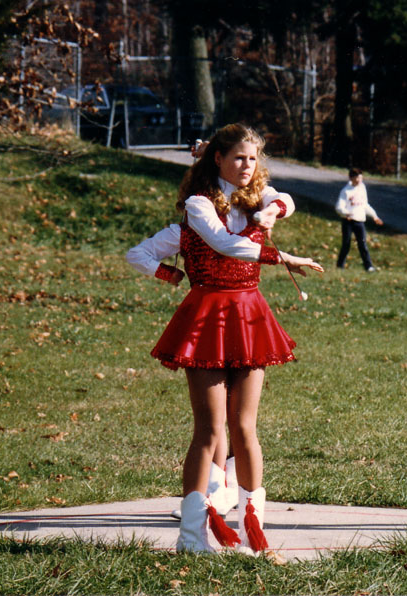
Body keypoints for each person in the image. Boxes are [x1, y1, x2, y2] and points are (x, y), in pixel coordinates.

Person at [126, 124, 322, 554]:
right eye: (238, 158)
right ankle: (192, 537)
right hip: (207, 318)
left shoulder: (257, 196)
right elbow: (225, 244)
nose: (247, 166)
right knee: (209, 431)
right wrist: (281, 255)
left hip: (250, 318)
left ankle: (254, 533)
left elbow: (283, 198)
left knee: (246, 428)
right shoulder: (198, 205)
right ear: (217, 159)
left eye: (253, 159)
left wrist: (274, 211)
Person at [335, 168, 383, 272]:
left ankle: (368, 266)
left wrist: (374, 216)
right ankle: (340, 265)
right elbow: (339, 207)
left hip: (359, 221)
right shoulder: (345, 191)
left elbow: (365, 205)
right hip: (348, 221)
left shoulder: (362, 188)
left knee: (362, 244)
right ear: (351, 178)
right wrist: (346, 213)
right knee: (346, 244)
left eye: (361, 177)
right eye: (357, 178)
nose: (359, 180)